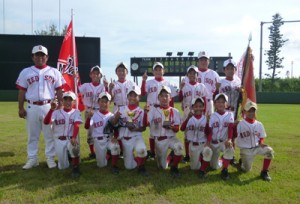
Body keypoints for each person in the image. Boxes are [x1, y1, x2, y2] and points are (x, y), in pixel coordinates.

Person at [16, 45, 64, 170]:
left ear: (47, 57)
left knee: (50, 134)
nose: (40, 57)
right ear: (33, 57)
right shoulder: (25, 72)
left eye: (43, 55)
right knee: (32, 135)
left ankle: (50, 158)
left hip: (49, 106)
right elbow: (21, 91)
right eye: (37, 55)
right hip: (32, 106)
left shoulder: (54, 72)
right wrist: (21, 108)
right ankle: (32, 158)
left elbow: (59, 90)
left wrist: (61, 105)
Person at [141, 62, 178, 160]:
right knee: (152, 132)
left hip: (165, 109)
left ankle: (166, 150)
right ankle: (152, 152)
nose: (158, 71)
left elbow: (172, 99)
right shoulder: (149, 82)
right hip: (153, 108)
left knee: (165, 130)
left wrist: (171, 112)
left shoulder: (168, 83)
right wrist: (144, 81)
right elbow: (143, 93)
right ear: (153, 71)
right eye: (156, 69)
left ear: (163, 71)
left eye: (160, 69)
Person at [144, 85, 183, 178]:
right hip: (159, 140)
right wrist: (145, 114)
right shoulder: (153, 110)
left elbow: (177, 129)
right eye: (161, 96)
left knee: (180, 148)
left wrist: (172, 127)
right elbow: (146, 124)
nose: (164, 98)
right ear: (158, 98)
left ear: (170, 98)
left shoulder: (175, 111)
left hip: (171, 138)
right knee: (162, 167)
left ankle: (174, 167)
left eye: (166, 96)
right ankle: (169, 157)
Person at [43, 91, 82, 178]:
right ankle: (68, 157)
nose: (68, 102)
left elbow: (77, 124)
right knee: (63, 167)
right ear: (62, 101)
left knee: (74, 147)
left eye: (70, 100)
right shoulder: (56, 113)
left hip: (70, 139)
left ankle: (76, 167)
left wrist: (74, 137)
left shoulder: (76, 112)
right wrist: (51, 109)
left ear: (74, 102)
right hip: (59, 139)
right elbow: (46, 122)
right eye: (66, 100)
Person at [112, 86, 149, 176]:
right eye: (130, 95)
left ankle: (142, 166)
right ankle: (138, 159)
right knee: (129, 167)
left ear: (138, 97)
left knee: (142, 149)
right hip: (124, 138)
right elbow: (114, 124)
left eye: (135, 95)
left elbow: (144, 128)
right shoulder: (120, 109)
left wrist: (135, 129)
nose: (132, 98)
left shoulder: (141, 111)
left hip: (136, 137)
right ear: (127, 97)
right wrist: (116, 118)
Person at [236, 100, 274, 181]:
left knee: (269, 151)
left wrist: (261, 143)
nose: (251, 113)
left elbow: (262, 136)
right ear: (245, 112)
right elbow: (234, 135)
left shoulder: (259, 124)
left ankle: (264, 172)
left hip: (257, 147)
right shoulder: (240, 124)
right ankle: (242, 161)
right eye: (249, 111)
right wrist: (234, 125)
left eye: (253, 111)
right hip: (246, 150)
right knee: (246, 170)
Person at [84, 92, 120, 174]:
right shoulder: (94, 115)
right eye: (102, 101)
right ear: (98, 102)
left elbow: (116, 128)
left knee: (115, 147)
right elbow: (86, 127)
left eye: (106, 101)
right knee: (101, 165)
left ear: (109, 103)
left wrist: (115, 137)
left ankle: (114, 166)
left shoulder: (112, 115)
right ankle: (108, 155)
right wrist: (89, 118)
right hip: (99, 141)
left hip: (109, 139)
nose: (104, 103)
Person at [178, 65, 208, 163]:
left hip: (199, 110)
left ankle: (200, 152)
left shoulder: (201, 86)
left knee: (201, 131)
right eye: (190, 73)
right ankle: (187, 154)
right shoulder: (184, 86)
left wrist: (205, 111)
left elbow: (204, 100)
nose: (192, 75)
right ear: (187, 75)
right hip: (188, 110)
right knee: (187, 133)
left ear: (197, 74)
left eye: (194, 73)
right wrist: (181, 89)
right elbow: (179, 99)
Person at [108, 62, 138, 158]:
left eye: (123, 71)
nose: (121, 72)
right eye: (119, 71)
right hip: (117, 108)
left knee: (129, 129)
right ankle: (119, 150)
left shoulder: (131, 83)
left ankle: (130, 149)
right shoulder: (114, 84)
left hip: (129, 107)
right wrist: (109, 89)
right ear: (116, 73)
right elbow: (110, 99)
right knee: (117, 129)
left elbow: (137, 96)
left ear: (127, 72)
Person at [78, 65, 108, 159]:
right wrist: (75, 80)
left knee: (102, 131)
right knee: (90, 132)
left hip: (100, 111)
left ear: (100, 76)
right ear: (90, 75)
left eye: (97, 73)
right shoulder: (86, 85)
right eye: (93, 73)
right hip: (89, 110)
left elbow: (107, 97)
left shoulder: (103, 87)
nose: (95, 75)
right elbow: (77, 90)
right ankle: (92, 152)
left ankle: (105, 151)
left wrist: (107, 87)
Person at [180, 97, 212, 178]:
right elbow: (182, 129)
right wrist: (187, 118)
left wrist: (208, 123)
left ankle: (203, 169)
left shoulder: (205, 118)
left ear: (203, 107)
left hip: (202, 144)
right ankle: (201, 159)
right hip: (193, 145)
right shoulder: (190, 118)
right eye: (196, 106)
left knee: (208, 152)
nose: (198, 108)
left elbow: (209, 133)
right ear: (193, 107)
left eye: (200, 106)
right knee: (194, 168)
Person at [218, 59, 242, 165]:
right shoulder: (220, 82)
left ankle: (231, 156)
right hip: (224, 111)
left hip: (235, 111)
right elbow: (216, 97)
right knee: (222, 133)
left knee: (233, 135)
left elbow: (242, 98)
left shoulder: (239, 81)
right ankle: (221, 154)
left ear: (235, 69)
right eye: (228, 68)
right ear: (224, 70)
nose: (230, 70)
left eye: (232, 68)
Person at [185, 51, 220, 118]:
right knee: (191, 123)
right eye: (201, 60)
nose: (203, 62)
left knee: (208, 123)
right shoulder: (192, 73)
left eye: (205, 60)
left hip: (208, 101)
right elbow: (185, 89)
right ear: (198, 62)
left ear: (208, 61)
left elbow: (217, 92)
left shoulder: (214, 74)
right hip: (193, 103)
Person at [209, 93, 234, 180]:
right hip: (213, 143)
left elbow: (231, 128)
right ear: (215, 104)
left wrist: (230, 139)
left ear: (226, 104)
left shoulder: (230, 114)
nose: (220, 104)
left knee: (230, 148)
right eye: (218, 102)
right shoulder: (212, 116)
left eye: (223, 102)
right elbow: (209, 131)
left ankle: (225, 169)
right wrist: (208, 142)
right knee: (214, 167)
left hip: (224, 142)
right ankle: (221, 160)